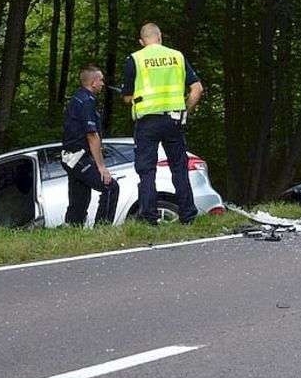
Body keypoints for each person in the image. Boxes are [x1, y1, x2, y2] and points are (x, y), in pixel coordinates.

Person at [121, 22, 204, 225]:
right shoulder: (177, 57)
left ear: (142, 42)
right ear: (160, 37)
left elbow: (126, 97)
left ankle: (149, 218)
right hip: (174, 120)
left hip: (147, 123)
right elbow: (197, 89)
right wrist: (186, 110)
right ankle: (188, 216)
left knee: (147, 171)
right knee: (179, 168)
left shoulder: (135, 59)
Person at [61, 66, 120, 226]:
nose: (102, 84)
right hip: (79, 156)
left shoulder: (77, 99)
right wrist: (101, 167)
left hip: (71, 156)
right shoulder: (87, 101)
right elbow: (92, 135)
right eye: (100, 80)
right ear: (93, 82)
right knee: (110, 187)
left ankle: (73, 228)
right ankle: (103, 227)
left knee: (79, 196)